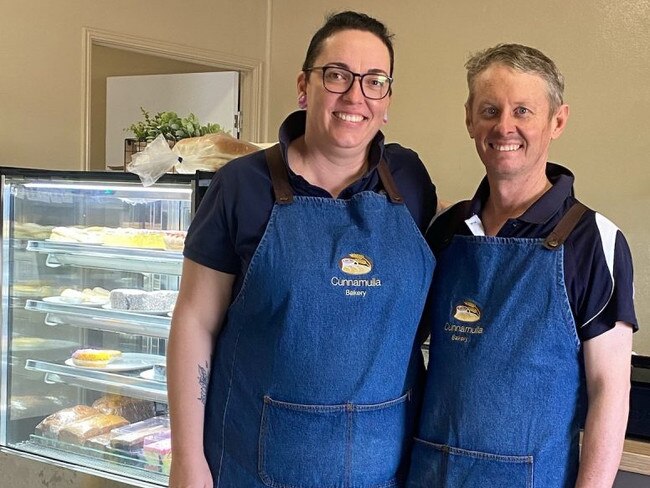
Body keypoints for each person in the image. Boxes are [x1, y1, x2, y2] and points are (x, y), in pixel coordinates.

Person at [167, 11, 437, 488]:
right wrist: (188, 462)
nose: (355, 96)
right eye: (337, 76)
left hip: (383, 467)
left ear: (387, 100)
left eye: (374, 81)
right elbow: (194, 322)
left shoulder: (411, 182)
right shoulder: (241, 187)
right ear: (303, 86)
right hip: (254, 462)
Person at [408, 43, 637, 488]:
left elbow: (610, 391)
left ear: (558, 120)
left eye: (523, 111)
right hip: (431, 473)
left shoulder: (594, 242)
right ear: (470, 118)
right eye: (490, 110)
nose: (504, 126)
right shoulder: (444, 233)